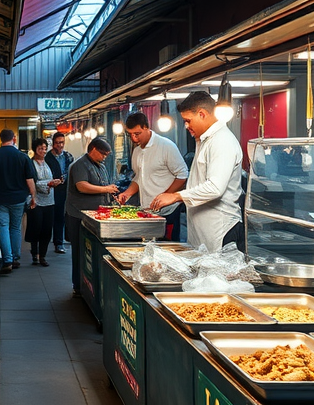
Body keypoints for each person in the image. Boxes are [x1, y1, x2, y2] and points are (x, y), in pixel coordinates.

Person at [150, 92, 244, 252]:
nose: (186, 126)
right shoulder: (204, 139)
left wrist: (176, 196)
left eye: (188, 121)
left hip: (220, 231)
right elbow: (200, 183)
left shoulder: (222, 141)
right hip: (202, 232)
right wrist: (178, 200)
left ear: (202, 114)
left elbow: (215, 188)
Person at [114, 111, 189, 239]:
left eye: (137, 134)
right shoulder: (137, 151)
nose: (134, 139)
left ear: (146, 127)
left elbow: (182, 174)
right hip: (147, 211)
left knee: (167, 251)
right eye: (130, 134)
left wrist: (165, 196)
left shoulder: (166, 146)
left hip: (168, 211)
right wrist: (127, 193)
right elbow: (138, 177)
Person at [65, 138, 119, 295]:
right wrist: (105, 190)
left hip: (96, 215)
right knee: (80, 250)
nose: (104, 157)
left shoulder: (100, 166)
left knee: (91, 250)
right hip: (79, 215)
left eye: (107, 155)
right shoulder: (79, 165)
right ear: (93, 149)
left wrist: (110, 193)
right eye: (103, 154)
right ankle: (78, 285)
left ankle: (91, 284)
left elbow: (104, 185)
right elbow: (82, 186)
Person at [0, 128, 36, 274]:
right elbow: (29, 179)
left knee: (3, 226)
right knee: (15, 227)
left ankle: (7, 259)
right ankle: (15, 257)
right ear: (14, 139)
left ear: (1, 139)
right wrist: (33, 197)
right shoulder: (22, 156)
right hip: (18, 198)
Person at [28, 138, 62, 266]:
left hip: (49, 199)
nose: (43, 151)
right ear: (35, 149)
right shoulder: (31, 163)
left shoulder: (48, 162)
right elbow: (32, 182)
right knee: (35, 227)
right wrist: (48, 183)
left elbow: (54, 176)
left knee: (47, 229)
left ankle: (43, 255)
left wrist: (57, 181)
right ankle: (34, 253)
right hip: (35, 200)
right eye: (40, 148)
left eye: (44, 148)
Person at [44, 132, 74, 254]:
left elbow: (71, 171)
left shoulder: (68, 157)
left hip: (64, 190)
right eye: (57, 143)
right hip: (50, 190)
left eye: (61, 142)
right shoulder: (48, 158)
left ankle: (59, 242)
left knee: (61, 216)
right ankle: (46, 244)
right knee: (51, 217)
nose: (60, 145)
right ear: (53, 143)